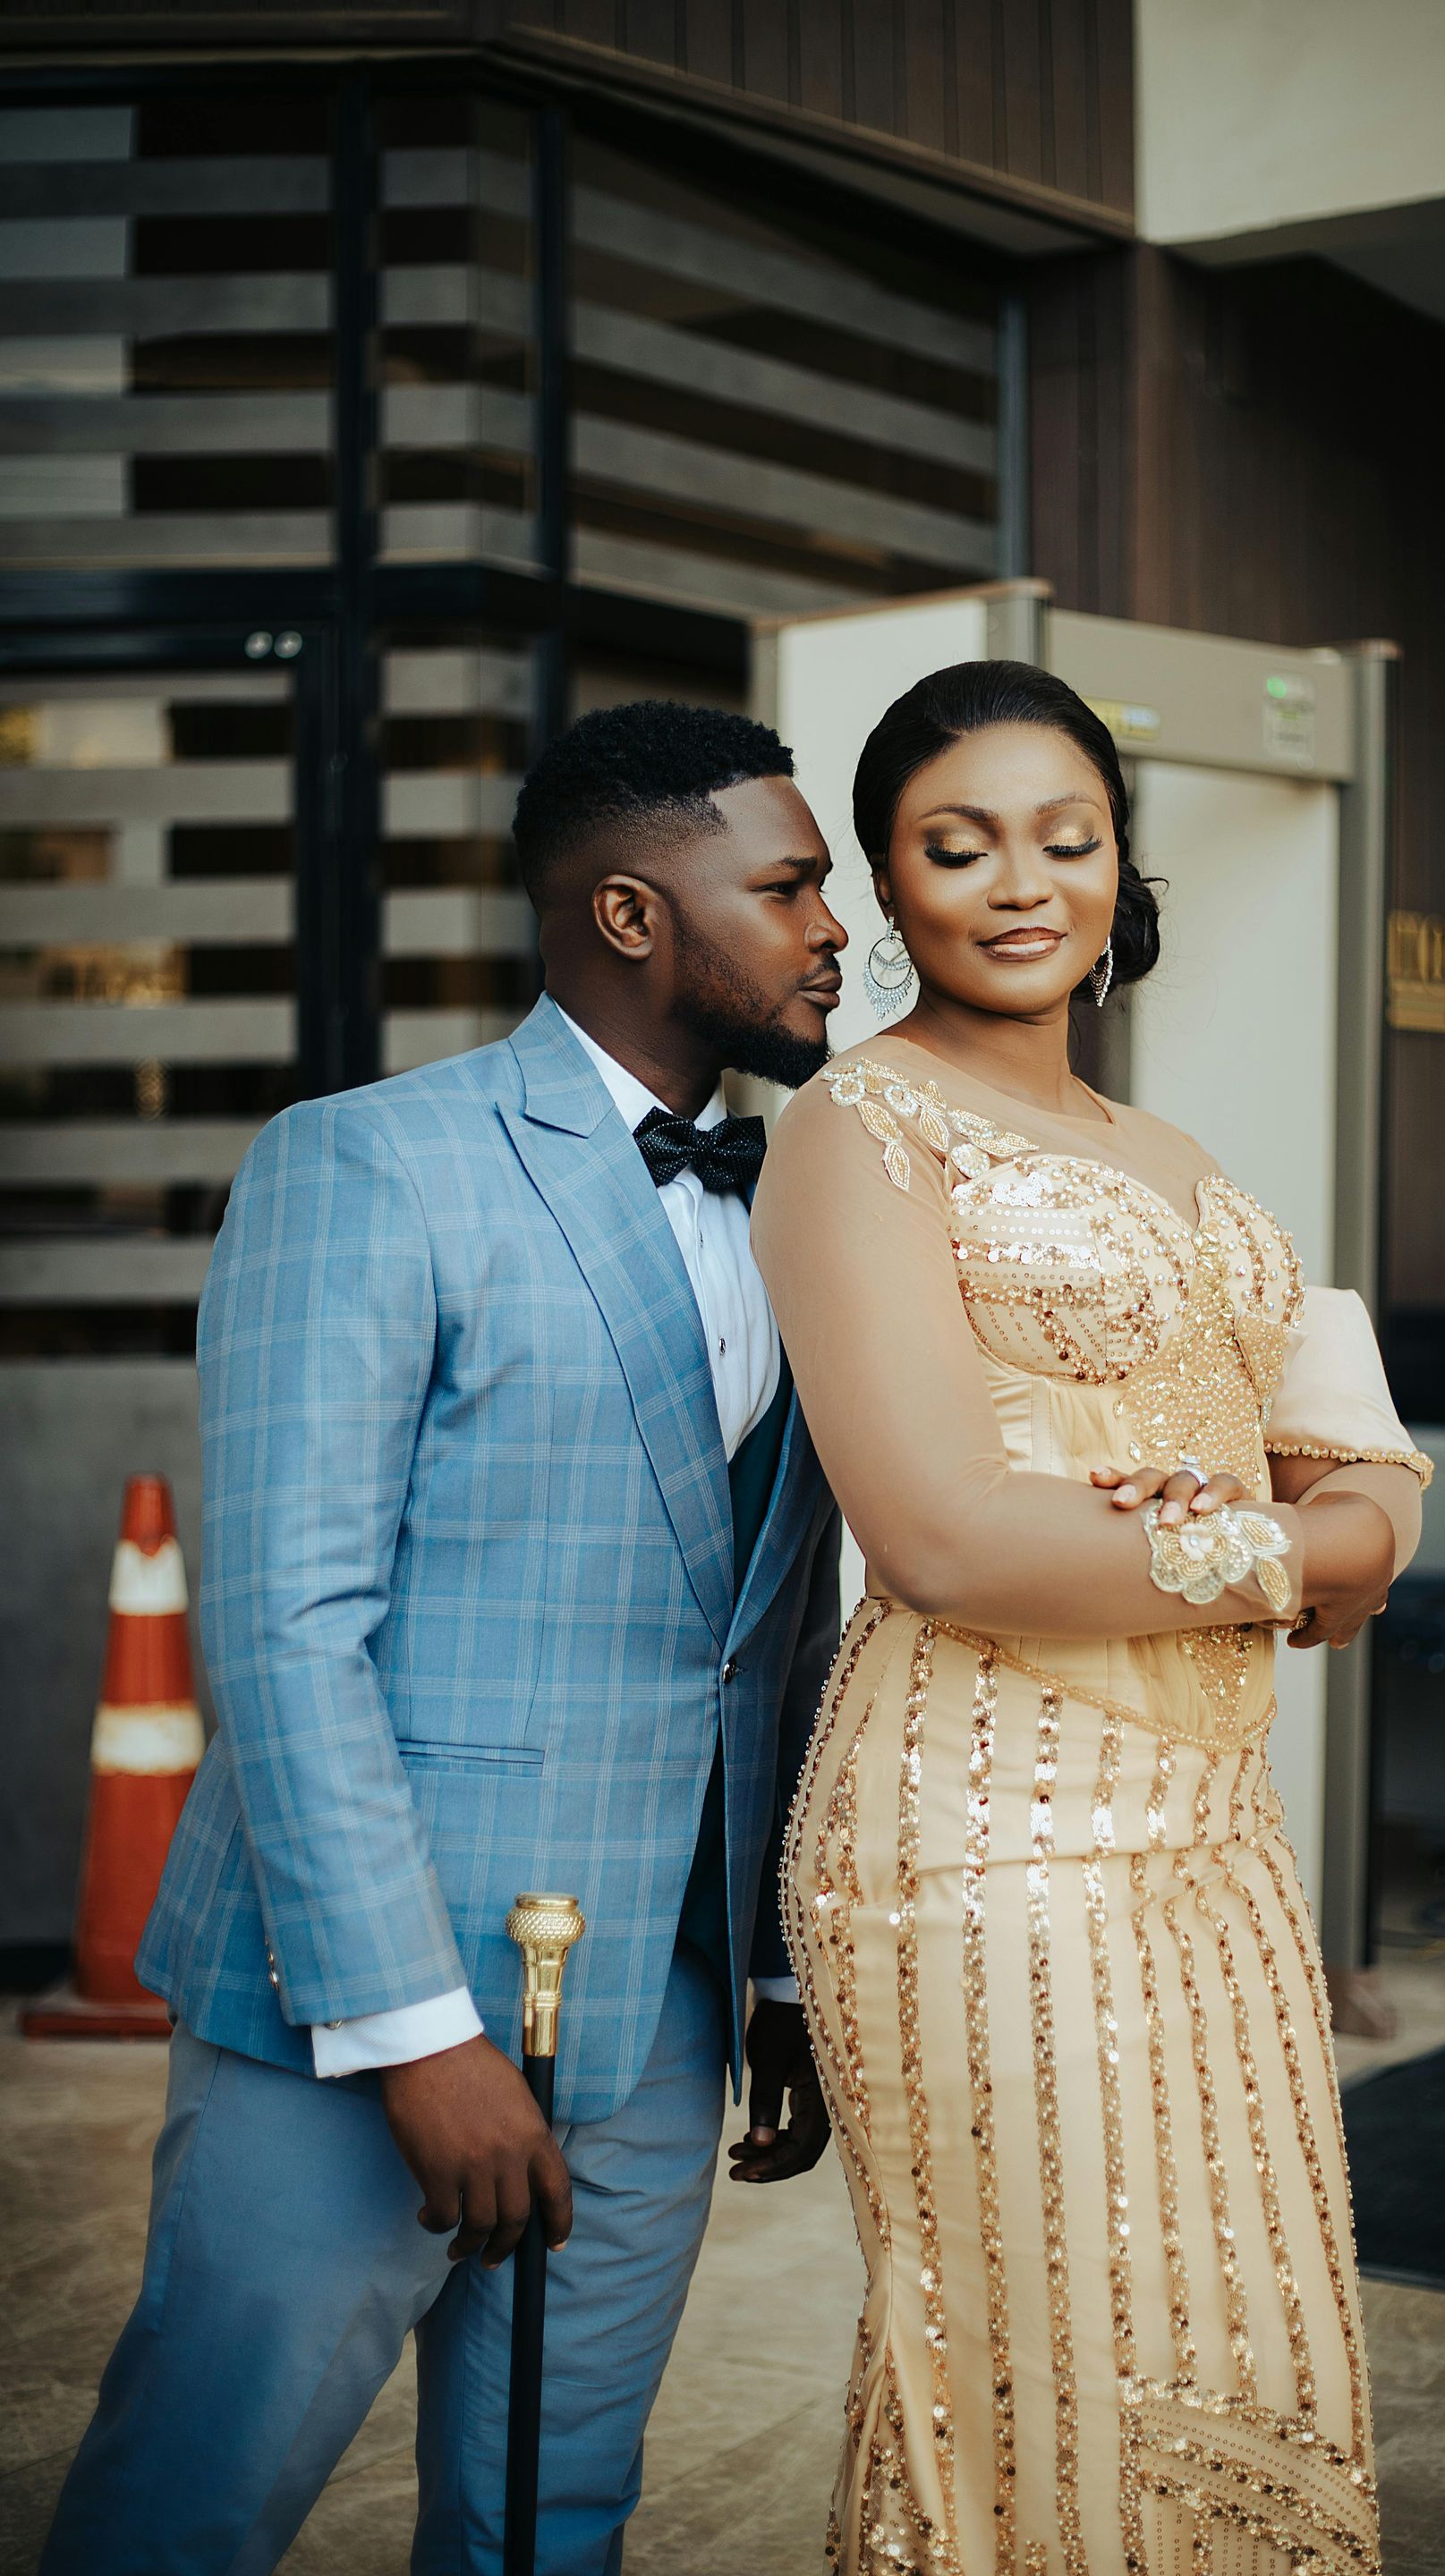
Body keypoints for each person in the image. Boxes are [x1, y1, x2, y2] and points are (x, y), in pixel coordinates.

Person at [44, 701, 847, 2576]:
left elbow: (786, 1624)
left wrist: (783, 1973)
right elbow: (287, 1625)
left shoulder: (814, 1199)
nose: (836, 931)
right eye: (794, 885)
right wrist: (414, 2036)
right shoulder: (368, 1163)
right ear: (635, 917)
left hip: (664, 1995)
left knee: (550, 2516)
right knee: (195, 2501)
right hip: (359, 1995)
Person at [750, 660, 1431, 2576]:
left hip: (1212, 1831)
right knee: (1049, 2366)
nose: (1020, 882)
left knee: (1242, 2332)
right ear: (891, 888)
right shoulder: (852, 1135)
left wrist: (1326, 1526)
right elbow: (951, 1538)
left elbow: (1348, 1450)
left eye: (1067, 837)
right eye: (957, 846)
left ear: (1122, 862)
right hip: (988, 1835)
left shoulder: (1178, 1161)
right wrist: (1300, 1556)